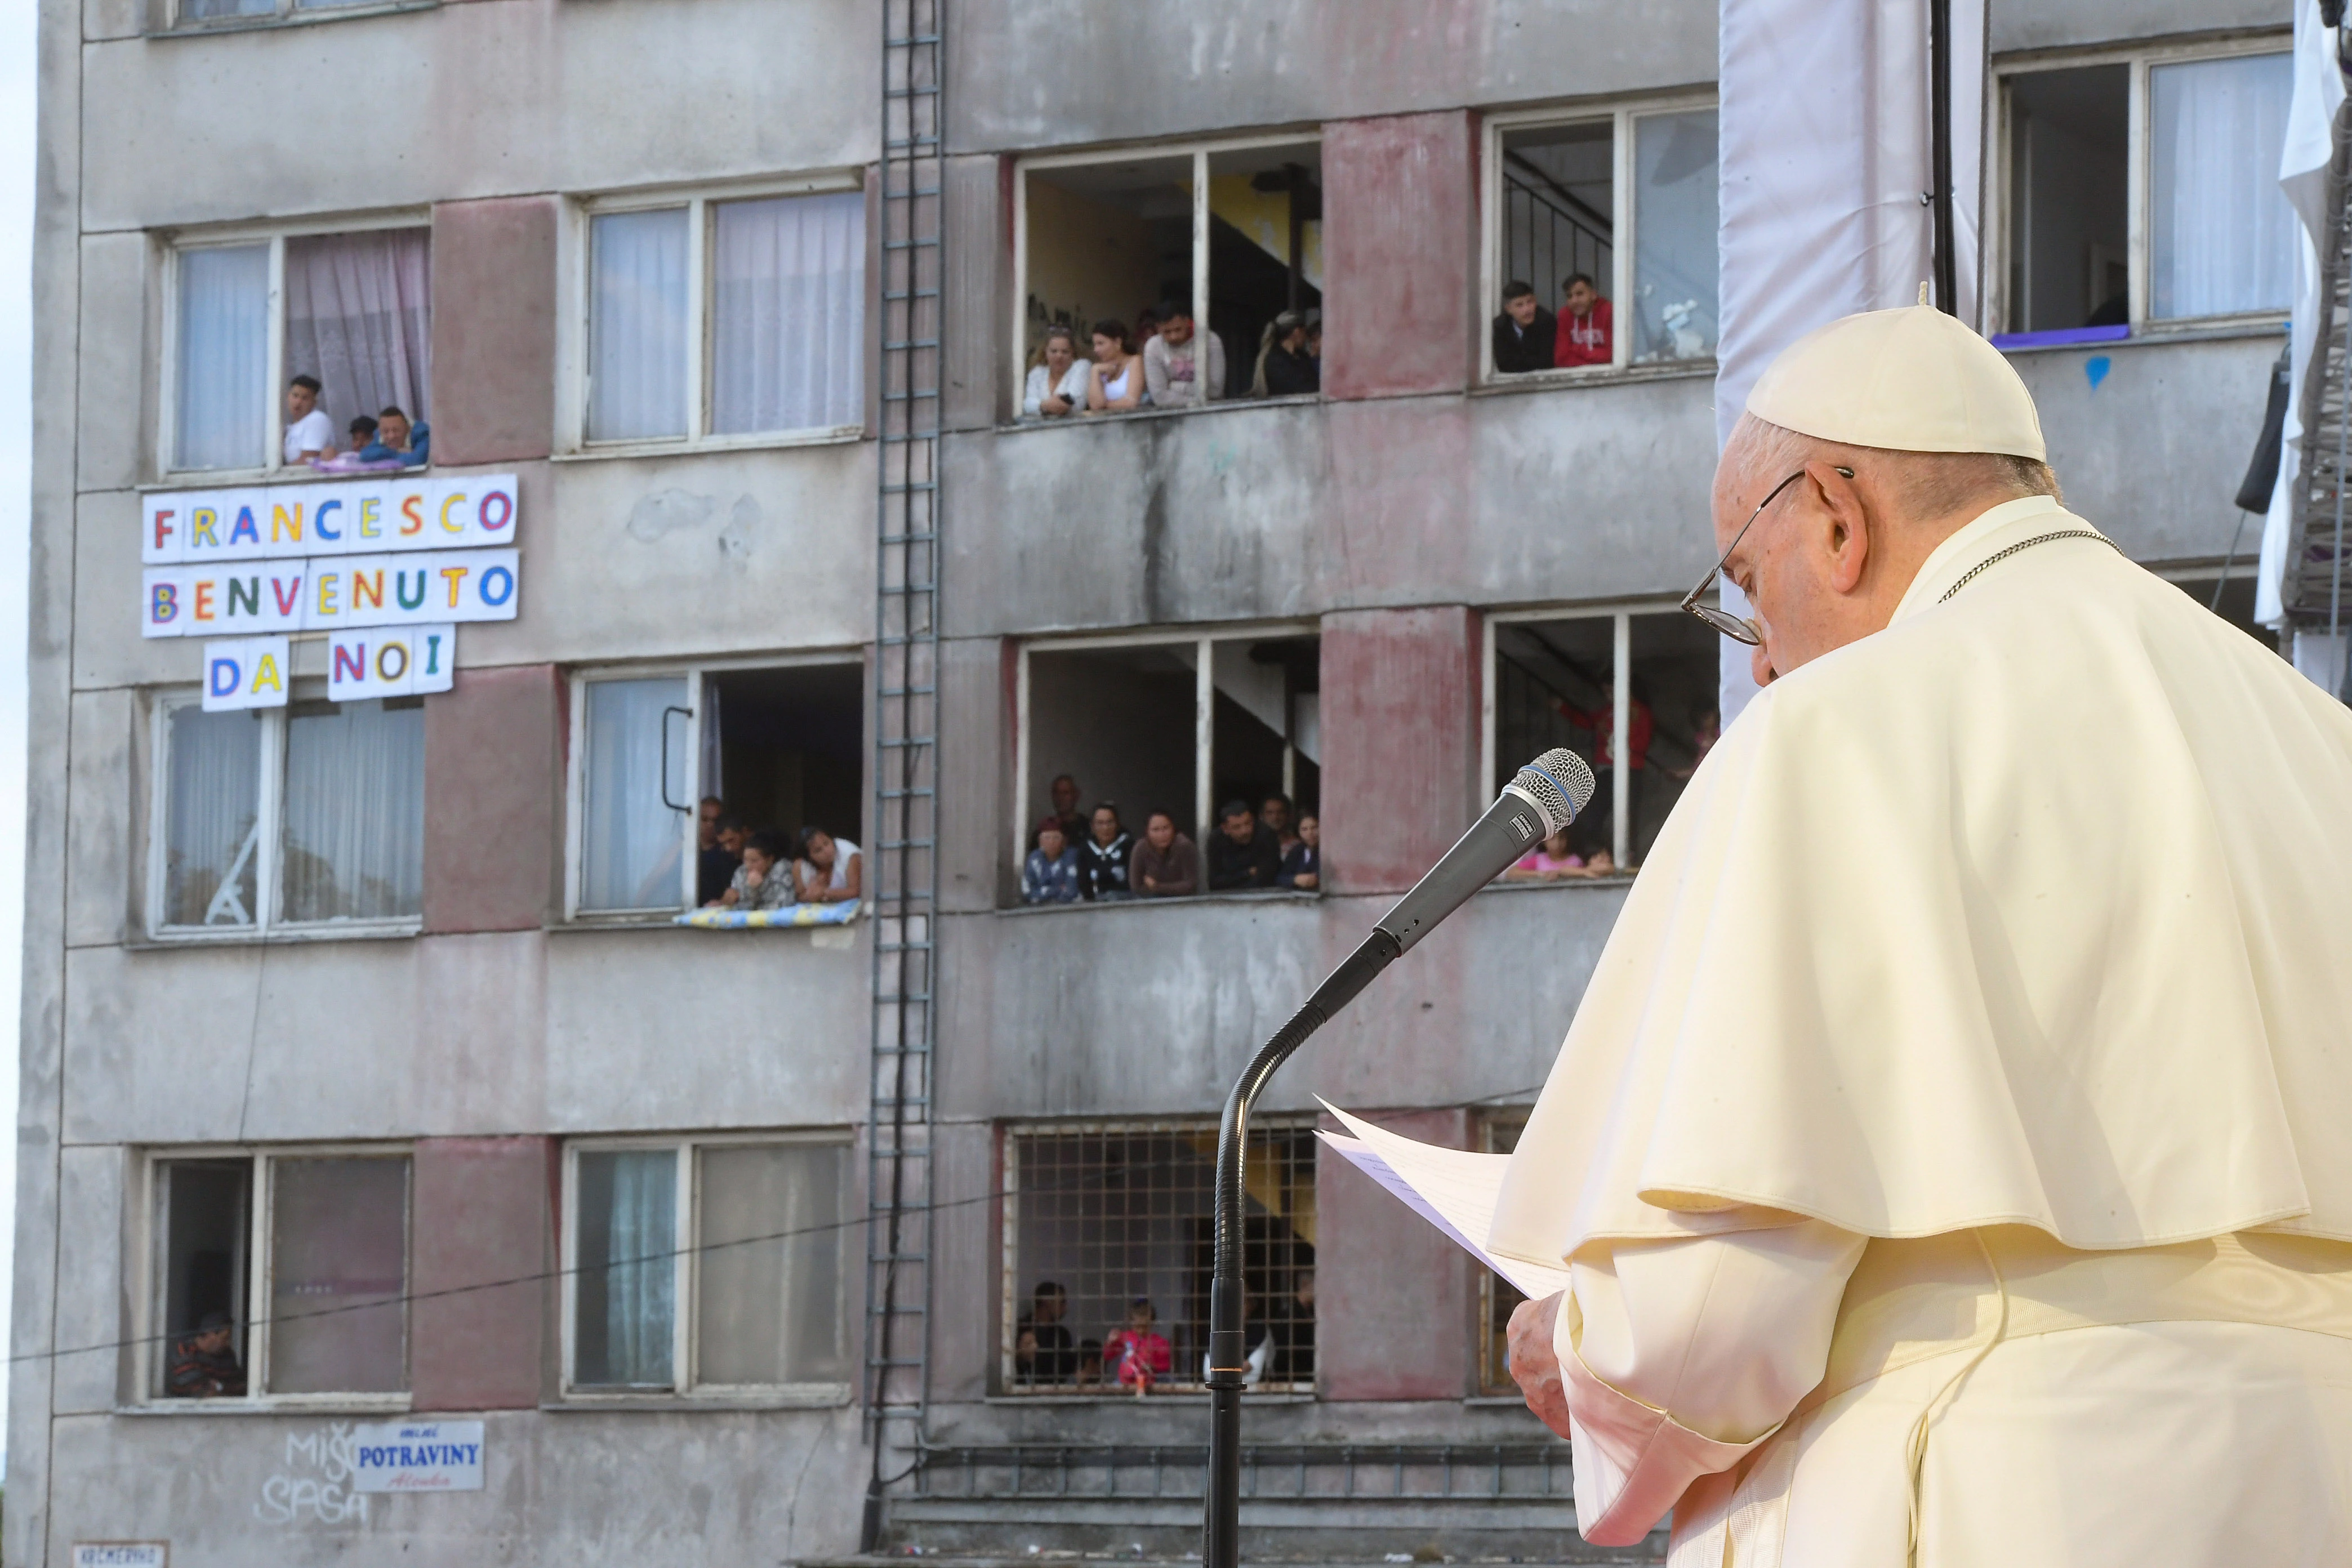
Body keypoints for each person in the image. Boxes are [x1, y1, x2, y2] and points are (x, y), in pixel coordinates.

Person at [1494, 302, 2352, 1565]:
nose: (1764, 663)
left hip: (2006, 1495)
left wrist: (1578, 1347)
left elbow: (1711, 1312)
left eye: (1745, 586)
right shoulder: (2321, 742)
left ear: (1837, 516)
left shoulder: (1835, 730)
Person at [1555, 691, 1652, 859]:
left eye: (1610, 689)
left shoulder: (1640, 712)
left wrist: (1619, 736)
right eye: (1606, 691)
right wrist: (1562, 707)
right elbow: (1587, 721)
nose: (1609, 695)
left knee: (1628, 815)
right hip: (1606, 770)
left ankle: (1629, 855)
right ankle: (1595, 855)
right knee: (1595, 813)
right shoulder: (1608, 711)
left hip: (1630, 769)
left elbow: (1642, 743)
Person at [1143, 301, 1226, 409]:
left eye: (1178, 329)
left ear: (1188, 322)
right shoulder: (1153, 347)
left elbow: (1216, 391)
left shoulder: (1210, 341)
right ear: (1158, 328)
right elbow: (1159, 397)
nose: (1174, 336)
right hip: (1171, 417)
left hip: (1210, 413)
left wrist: (1175, 386)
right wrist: (1197, 398)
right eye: (1167, 332)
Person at [1207, 799, 1281, 891]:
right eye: (1237, 827)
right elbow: (1215, 883)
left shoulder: (1266, 835)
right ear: (1225, 829)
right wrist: (1247, 873)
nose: (1245, 831)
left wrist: (1232, 879)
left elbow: (1265, 879)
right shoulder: (1216, 839)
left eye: (1248, 823)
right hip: (1226, 898)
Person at [166, 1311, 245, 1399]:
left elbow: (240, 1387)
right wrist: (221, 1388)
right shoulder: (184, 1350)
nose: (228, 1343)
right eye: (225, 1338)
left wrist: (219, 1387)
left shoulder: (227, 1355)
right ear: (210, 1334)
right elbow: (198, 1389)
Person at [1104, 1298, 1173, 1394]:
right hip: (1124, 1382)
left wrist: (1153, 1367)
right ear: (1131, 1322)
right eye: (1137, 1326)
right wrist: (1110, 1343)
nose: (1141, 1330)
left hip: (1147, 1384)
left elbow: (1166, 1365)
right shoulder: (1125, 1337)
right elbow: (1107, 1356)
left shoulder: (1159, 1342)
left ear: (1152, 1323)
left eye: (1145, 1327)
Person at [719, 828, 797, 912]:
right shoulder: (741, 872)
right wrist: (728, 900)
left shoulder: (783, 870)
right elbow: (738, 908)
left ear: (770, 860)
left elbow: (784, 905)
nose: (748, 866)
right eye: (746, 860)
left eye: (754, 861)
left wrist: (757, 890)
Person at [1022, 325, 1089, 420]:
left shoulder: (1081, 367)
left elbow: (1075, 404)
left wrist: (1040, 406)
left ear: (1073, 353)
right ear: (1045, 352)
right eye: (1054, 351)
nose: (1059, 356)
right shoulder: (1037, 373)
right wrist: (1044, 405)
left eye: (1065, 352)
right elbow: (1027, 405)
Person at [1492, 280, 1557, 374]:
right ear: (1508, 309)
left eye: (1530, 302)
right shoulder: (1501, 326)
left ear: (1535, 301)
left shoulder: (1546, 322)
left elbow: (1546, 362)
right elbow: (1503, 364)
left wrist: (1517, 360)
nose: (1527, 310)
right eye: (1520, 305)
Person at [1130, 809, 1200, 898]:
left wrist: (1157, 887)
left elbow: (1191, 884)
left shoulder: (1185, 846)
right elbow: (1136, 886)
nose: (1162, 834)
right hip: (1149, 900)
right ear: (1147, 832)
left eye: (1166, 828)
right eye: (1156, 830)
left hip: (1182, 900)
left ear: (1173, 828)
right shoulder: (1140, 848)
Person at [1019, 1281, 1077, 1383]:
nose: (1065, 1308)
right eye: (1062, 1302)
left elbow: (1069, 1369)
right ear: (1048, 1302)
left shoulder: (1062, 1334)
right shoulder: (1022, 1328)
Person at [1085, 320, 1147, 413]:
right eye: (1095, 345)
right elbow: (1095, 405)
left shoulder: (1135, 361)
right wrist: (1095, 371)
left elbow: (1131, 402)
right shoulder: (1099, 368)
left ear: (1118, 342)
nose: (1096, 350)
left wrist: (1104, 405)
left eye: (1101, 344)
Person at [1077, 803, 1135, 902]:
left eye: (1110, 822)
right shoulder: (1085, 849)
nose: (1106, 828)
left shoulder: (1129, 846)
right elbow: (1083, 883)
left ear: (1118, 824)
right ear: (1092, 826)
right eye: (1100, 823)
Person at [1266, 1271, 1316, 1383]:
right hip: (1292, 1376)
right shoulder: (1289, 1315)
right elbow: (1283, 1350)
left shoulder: (1310, 1313)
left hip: (1306, 1376)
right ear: (1305, 1286)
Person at [1553, 273, 1611, 368]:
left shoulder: (1608, 312)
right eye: (1569, 296)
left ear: (1593, 295)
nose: (1574, 301)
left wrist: (1578, 349)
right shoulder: (1565, 315)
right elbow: (1561, 359)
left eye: (1580, 294)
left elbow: (1612, 356)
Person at [794, 827, 862, 904]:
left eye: (827, 843)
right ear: (809, 858)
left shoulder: (850, 856)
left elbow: (855, 892)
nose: (827, 851)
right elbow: (800, 896)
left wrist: (824, 892)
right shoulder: (800, 866)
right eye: (818, 850)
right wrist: (811, 895)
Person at [1260, 311, 1319, 397]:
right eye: (1304, 332)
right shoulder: (1275, 360)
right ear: (1297, 331)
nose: (1306, 338)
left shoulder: (1302, 356)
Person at [1021, 824, 1082, 905]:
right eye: (1047, 838)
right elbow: (1028, 892)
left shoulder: (1071, 856)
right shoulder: (1035, 857)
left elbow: (1071, 891)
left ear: (1064, 841)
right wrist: (1055, 890)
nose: (1051, 842)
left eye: (1056, 838)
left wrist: (1042, 891)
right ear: (1040, 842)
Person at [696, 797, 740, 906]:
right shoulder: (688, 852)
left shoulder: (731, 852)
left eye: (715, 820)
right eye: (705, 819)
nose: (710, 825)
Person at [283, 373, 335, 464]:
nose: (298, 402)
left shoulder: (317, 419)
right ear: (288, 396)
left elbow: (308, 459)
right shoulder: (289, 428)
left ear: (314, 403)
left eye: (305, 398)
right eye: (295, 396)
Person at [362, 405, 431, 467]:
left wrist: (384, 454)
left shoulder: (422, 433)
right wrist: (396, 452)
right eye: (386, 432)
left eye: (396, 430)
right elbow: (365, 455)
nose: (391, 436)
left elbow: (417, 460)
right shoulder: (379, 434)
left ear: (407, 428)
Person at [1504, 826, 1584, 880]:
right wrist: (1542, 874)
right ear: (1544, 841)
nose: (1557, 843)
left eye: (1562, 838)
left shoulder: (1575, 861)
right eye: (1552, 839)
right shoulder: (1539, 860)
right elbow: (1511, 873)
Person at [1032, 773, 1086, 850]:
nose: (1061, 798)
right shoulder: (1044, 830)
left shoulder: (1087, 828)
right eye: (1056, 793)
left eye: (1066, 793)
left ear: (1076, 795)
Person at [1279, 813, 1320, 891]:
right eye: (1304, 829)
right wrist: (1295, 880)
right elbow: (1281, 877)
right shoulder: (1297, 851)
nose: (1310, 833)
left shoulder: (1329, 851)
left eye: (1314, 828)